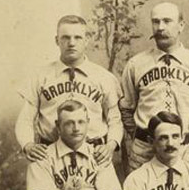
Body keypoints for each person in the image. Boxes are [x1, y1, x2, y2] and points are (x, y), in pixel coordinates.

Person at [119, 2, 189, 175]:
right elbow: (126, 108)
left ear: (181, 26)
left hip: (188, 150)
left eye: (167, 21)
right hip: (145, 151)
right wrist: (145, 136)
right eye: (155, 22)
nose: (160, 27)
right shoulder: (136, 64)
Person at [16, 15, 122, 166]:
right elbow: (25, 118)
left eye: (77, 37)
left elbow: (115, 119)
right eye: (65, 37)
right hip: (50, 154)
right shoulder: (40, 76)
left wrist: (110, 146)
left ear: (86, 40)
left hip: (94, 154)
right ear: (56, 40)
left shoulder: (104, 77)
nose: (71, 43)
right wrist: (28, 145)